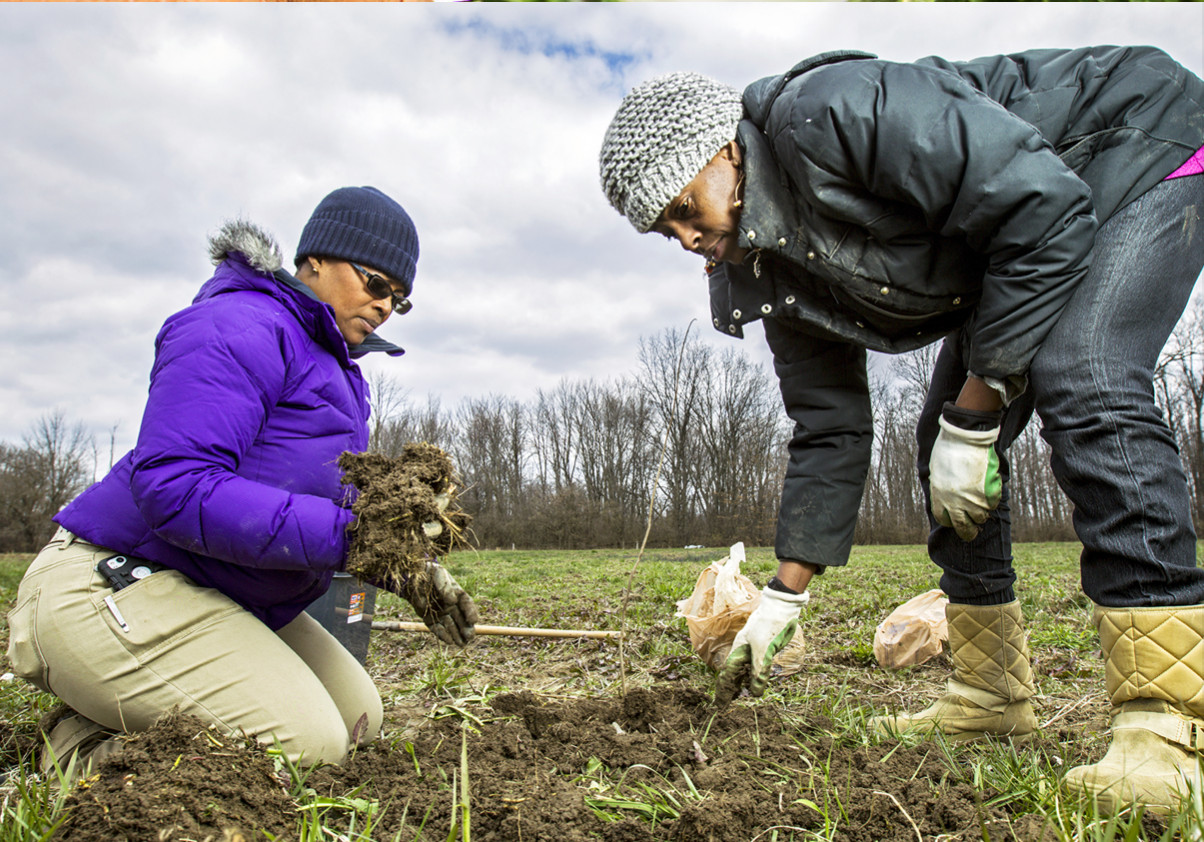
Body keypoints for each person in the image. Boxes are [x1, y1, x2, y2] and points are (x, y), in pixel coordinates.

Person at [599, 47, 1204, 814]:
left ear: (725, 150)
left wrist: (977, 417)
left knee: (1085, 374)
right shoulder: (763, 270)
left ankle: (1166, 722)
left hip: (1136, 144)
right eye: (665, 232)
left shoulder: (835, 111)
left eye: (687, 208)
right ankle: (990, 692)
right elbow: (829, 425)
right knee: (936, 444)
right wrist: (785, 594)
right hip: (1025, 236)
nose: (687, 239)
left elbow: (1040, 206)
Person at [6, 186, 479, 771]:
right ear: (316, 262)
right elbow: (175, 484)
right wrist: (357, 538)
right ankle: (79, 754)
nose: (384, 305)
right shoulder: (240, 324)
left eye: (399, 299)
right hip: (109, 582)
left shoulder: (338, 372)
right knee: (307, 743)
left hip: (205, 587)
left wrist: (407, 569)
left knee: (359, 718)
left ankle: (122, 707)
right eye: (375, 283)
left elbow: (315, 503)